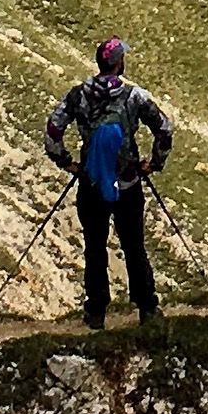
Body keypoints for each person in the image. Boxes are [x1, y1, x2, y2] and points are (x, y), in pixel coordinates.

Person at [44, 36, 173, 328]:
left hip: (92, 184)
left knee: (94, 247)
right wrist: (153, 164)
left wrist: (68, 163)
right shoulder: (133, 96)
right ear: (118, 63)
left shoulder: (78, 95)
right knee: (134, 245)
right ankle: (147, 308)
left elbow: (53, 132)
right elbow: (164, 129)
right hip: (127, 183)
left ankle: (96, 312)